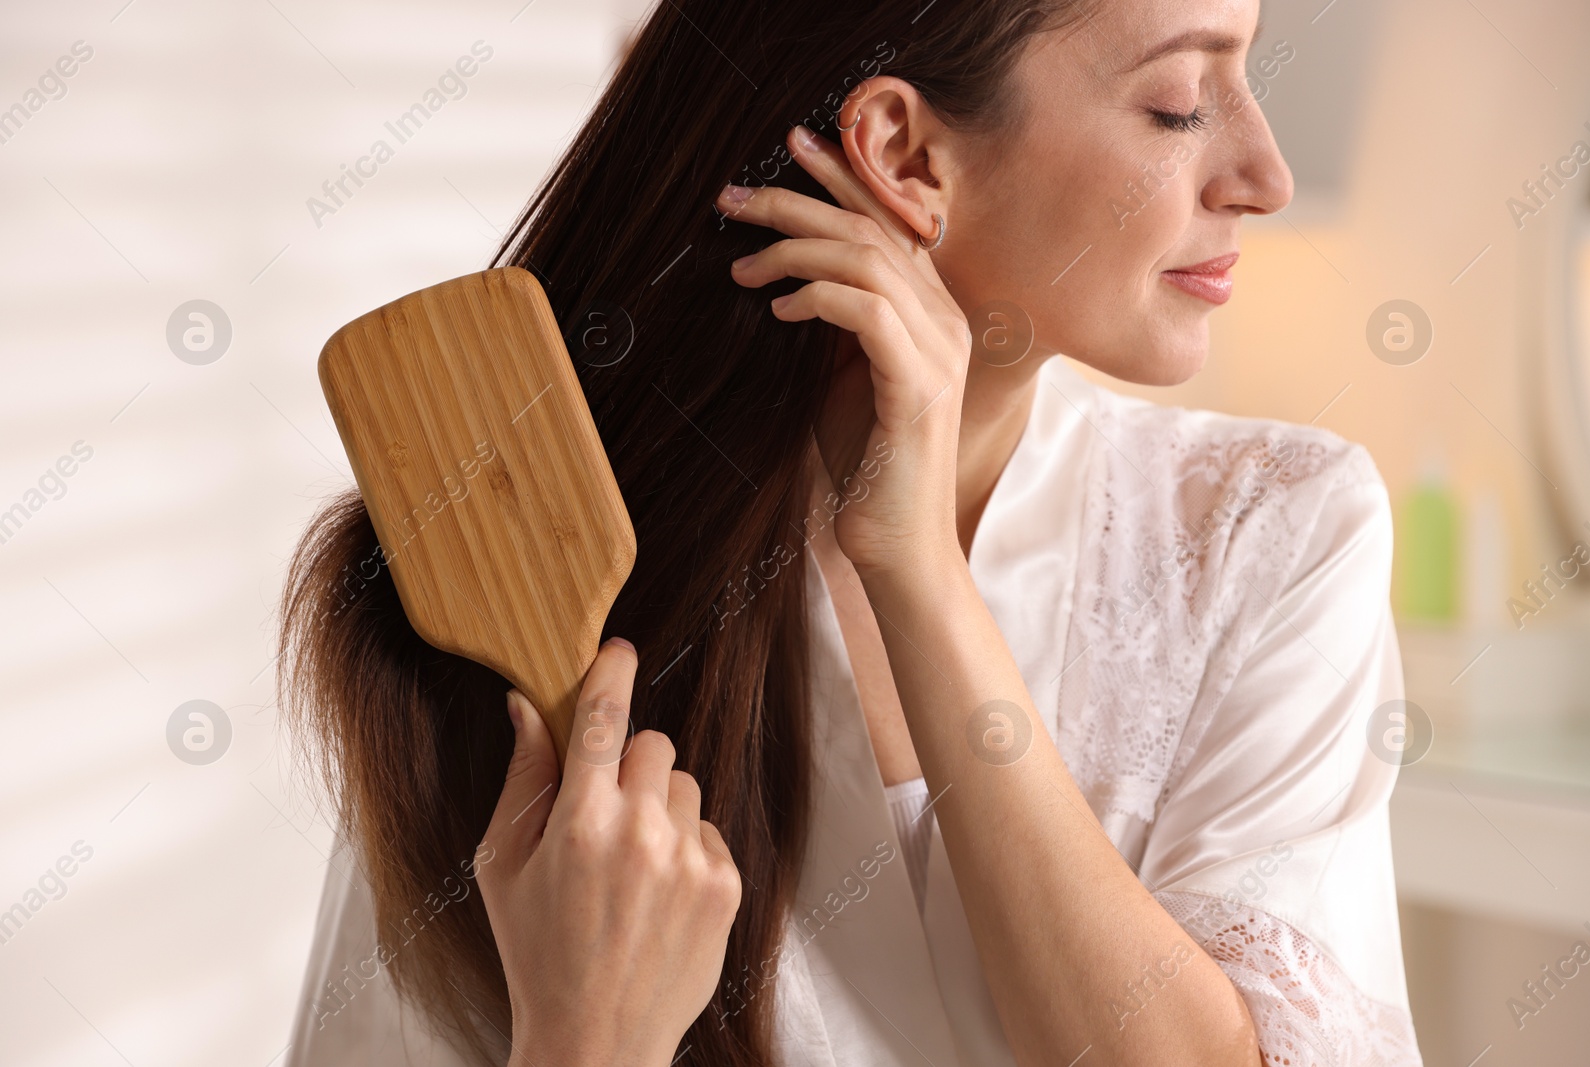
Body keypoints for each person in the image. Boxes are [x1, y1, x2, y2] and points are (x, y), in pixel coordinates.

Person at [280, 1, 1425, 1064]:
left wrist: (917, 572)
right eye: (1179, 103)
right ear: (906, 154)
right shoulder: (516, 574)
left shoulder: (1271, 528)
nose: (1264, 176)